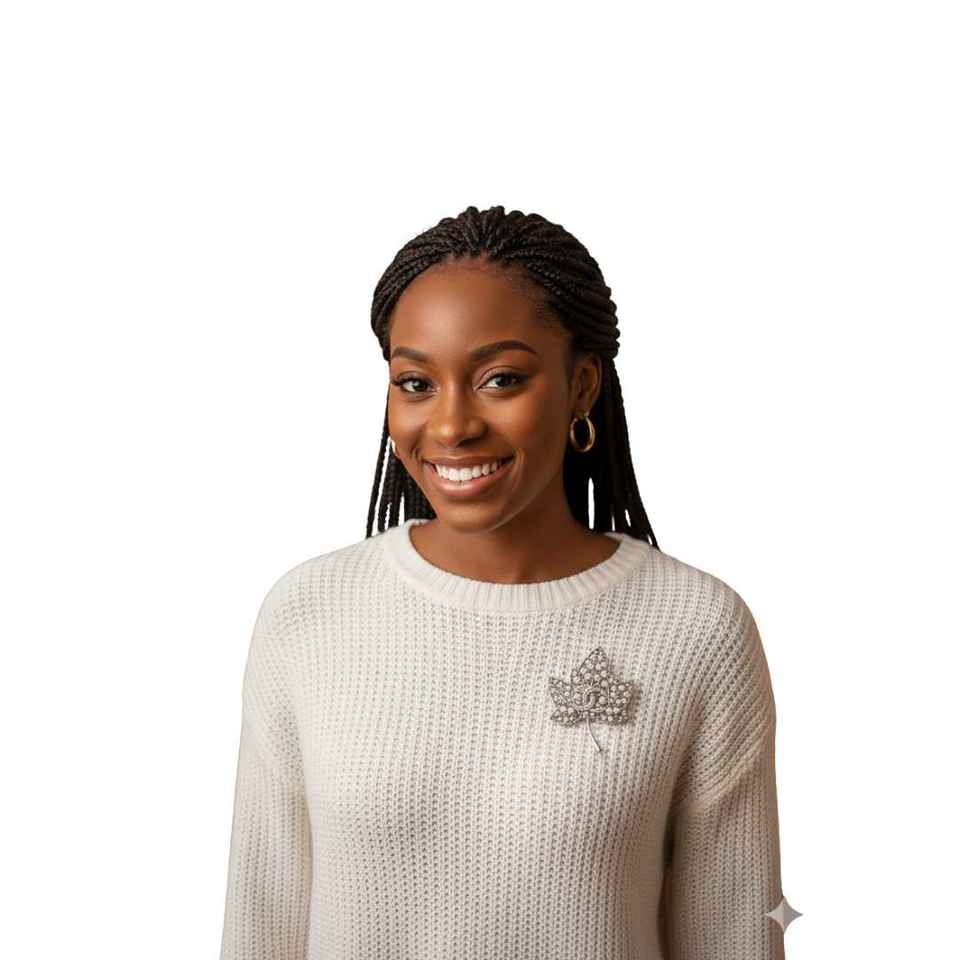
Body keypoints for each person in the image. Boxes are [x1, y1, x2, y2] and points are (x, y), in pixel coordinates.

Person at [219, 205, 786, 959]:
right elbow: (260, 927)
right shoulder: (307, 615)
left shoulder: (697, 627)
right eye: (416, 382)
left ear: (581, 385)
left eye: (500, 379)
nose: (452, 425)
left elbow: (735, 937)